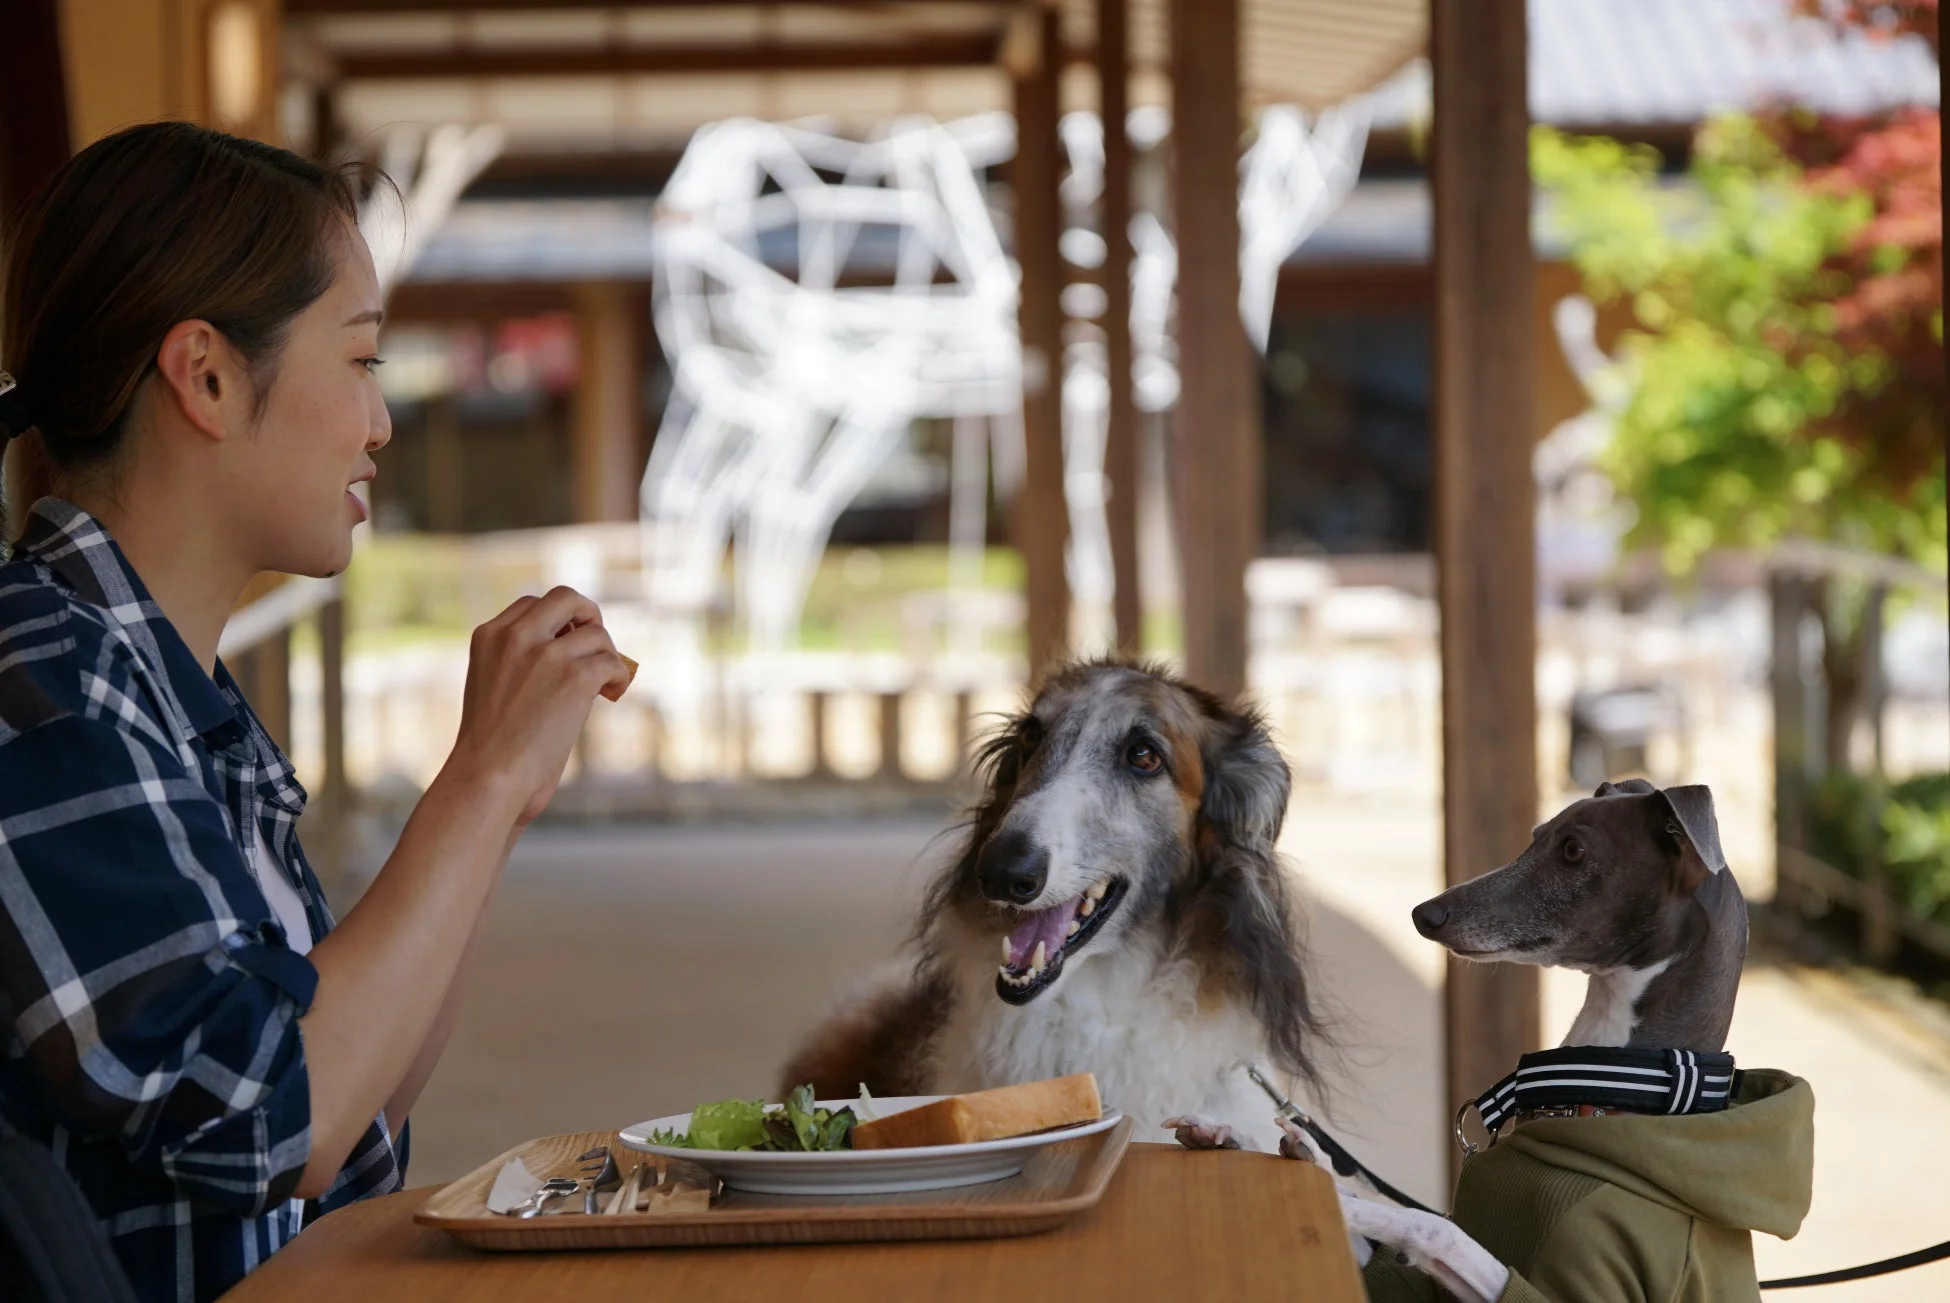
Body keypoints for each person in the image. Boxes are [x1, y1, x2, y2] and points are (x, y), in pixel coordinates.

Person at [0, 122, 630, 1303]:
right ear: (206, 376)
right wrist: (476, 784)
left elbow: (354, 1108)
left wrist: (500, 801)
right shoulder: (42, 685)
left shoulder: (161, 684)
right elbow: (273, 1123)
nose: (380, 423)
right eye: (361, 360)